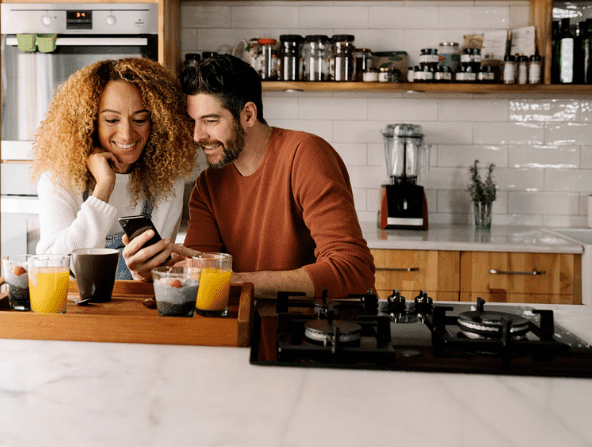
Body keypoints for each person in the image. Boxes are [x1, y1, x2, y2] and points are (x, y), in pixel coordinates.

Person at [123, 54, 375, 299]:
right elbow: (198, 282)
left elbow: (353, 270)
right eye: (192, 122)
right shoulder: (208, 186)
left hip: (312, 336)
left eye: (210, 121)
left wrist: (230, 280)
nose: (197, 136)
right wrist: (151, 274)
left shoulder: (305, 155)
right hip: (243, 336)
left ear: (248, 115)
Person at [32, 57, 198, 280]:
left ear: (157, 123)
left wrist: (146, 272)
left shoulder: (168, 179)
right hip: (73, 311)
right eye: (111, 120)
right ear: (90, 122)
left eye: (140, 120)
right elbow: (52, 267)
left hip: (136, 308)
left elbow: (155, 273)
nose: (127, 134)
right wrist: (104, 187)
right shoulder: (58, 177)